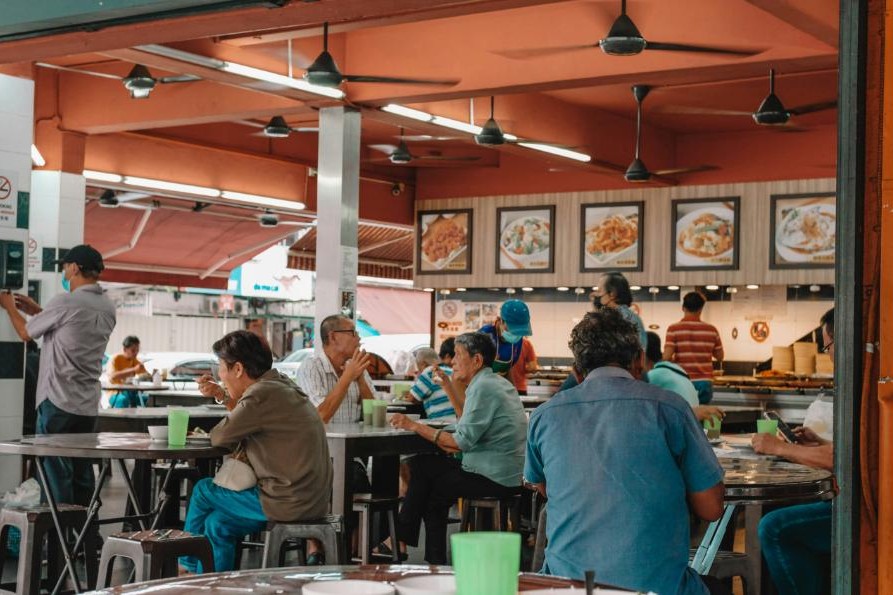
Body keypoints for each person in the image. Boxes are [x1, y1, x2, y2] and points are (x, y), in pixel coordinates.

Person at [525, 309, 725, 594]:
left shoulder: (544, 416)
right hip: (656, 588)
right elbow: (712, 507)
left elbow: (544, 487)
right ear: (639, 361)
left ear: (577, 372)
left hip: (568, 588)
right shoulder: (671, 409)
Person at [180, 330, 332, 574]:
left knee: (202, 491)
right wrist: (222, 394)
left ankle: (185, 568)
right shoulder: (280, 384)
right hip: (312, 499)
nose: (220, 375)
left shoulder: (261, 395)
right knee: (218, 524)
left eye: (221, 367)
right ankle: (215, 586)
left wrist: (222, 397)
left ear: (238, 369)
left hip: (285, 500)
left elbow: (220, 437)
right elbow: (247, 417)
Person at [389, 332, 527, 564]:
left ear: (477, 361)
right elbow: (466, 420)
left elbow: (459, 442)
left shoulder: (483, 388)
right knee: (431, 485)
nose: (452, 361)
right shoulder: (493, 383)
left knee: (423, 469)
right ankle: (419, 551)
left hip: (492, 476)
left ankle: (405, 541)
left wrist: (413, 425)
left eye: (458, 355)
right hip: (506, 472)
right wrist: (448, 385)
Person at [0, 244, 116, 506]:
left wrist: (9, 308)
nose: (65, 272)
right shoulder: (108, 307)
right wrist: (38, 311)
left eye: (65, 267)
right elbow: (70, 330)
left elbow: (26, 334)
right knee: (82, 472)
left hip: (58, 400)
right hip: (86, 406)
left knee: (55, 475)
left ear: (74, 268)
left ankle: (58, 539)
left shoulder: (66, 301)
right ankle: (85, 535)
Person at [751, 308, 835, 595]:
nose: (829, 354)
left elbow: (843, 460)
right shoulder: (863, 381)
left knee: (774, 527)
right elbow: (856, 452)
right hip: (860, 496)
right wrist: (817, 444)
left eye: (828, 346)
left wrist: (778, 447)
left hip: (867, 507)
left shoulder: (866, 384)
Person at [295, 314, 374, 564]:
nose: (358, 338)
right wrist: (347, 378)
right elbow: (320, 416)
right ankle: (318, 546)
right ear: (333, 337)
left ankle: (347, 553)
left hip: (353, 455)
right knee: (341, 481)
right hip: (317, 455)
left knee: (360, 482)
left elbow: (374, 413)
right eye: (353, 333)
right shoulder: (311, 367)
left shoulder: (355, 366)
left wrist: (359, 378)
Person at [557, 271, 646, 393]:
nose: (595, 295)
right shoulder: (632, 317)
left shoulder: (617, 318)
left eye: (599, 291)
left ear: (612, 294)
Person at [645, 332, 725, 424]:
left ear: (643, 355)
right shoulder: (677, 369)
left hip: (682, 427)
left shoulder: (654, 375)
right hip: (695, 426)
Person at [664, 291, 724, 405]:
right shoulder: (712, 330)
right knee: (702, 416)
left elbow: (666, 357)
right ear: (701, 309)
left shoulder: (673, 329)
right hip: (705, 382)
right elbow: (720, 357)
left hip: (683, 381)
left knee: (683, 416)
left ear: (683, 308)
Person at [479, 299, 535, 390]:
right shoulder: (485, 335)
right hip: (480, 389)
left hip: (498, 388)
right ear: (500, 321)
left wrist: (512, 393)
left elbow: (508, 371)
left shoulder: (517, 341)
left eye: (518, 332)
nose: (515, 335)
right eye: (511, 329)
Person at [407, 344, 457, 422]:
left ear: (423, 364)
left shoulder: (430, 371)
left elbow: (411, 398)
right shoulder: (450, 371)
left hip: (440, 423)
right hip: (456, 421)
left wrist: (420, 376)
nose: (418, 370)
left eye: (418, 366)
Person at [107, 335, 148, 408]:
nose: (136, 353)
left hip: (131, 393)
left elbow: (146, 375)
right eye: (133, 350)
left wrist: (153, 375)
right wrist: (133, 370)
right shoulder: (116, 359)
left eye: (137, 350)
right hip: (115, 393)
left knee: (149, 399)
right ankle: (122, 419)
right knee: (123, 400)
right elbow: (113, 376)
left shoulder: (135, 361)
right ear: (125, 349)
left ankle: (146, 419)